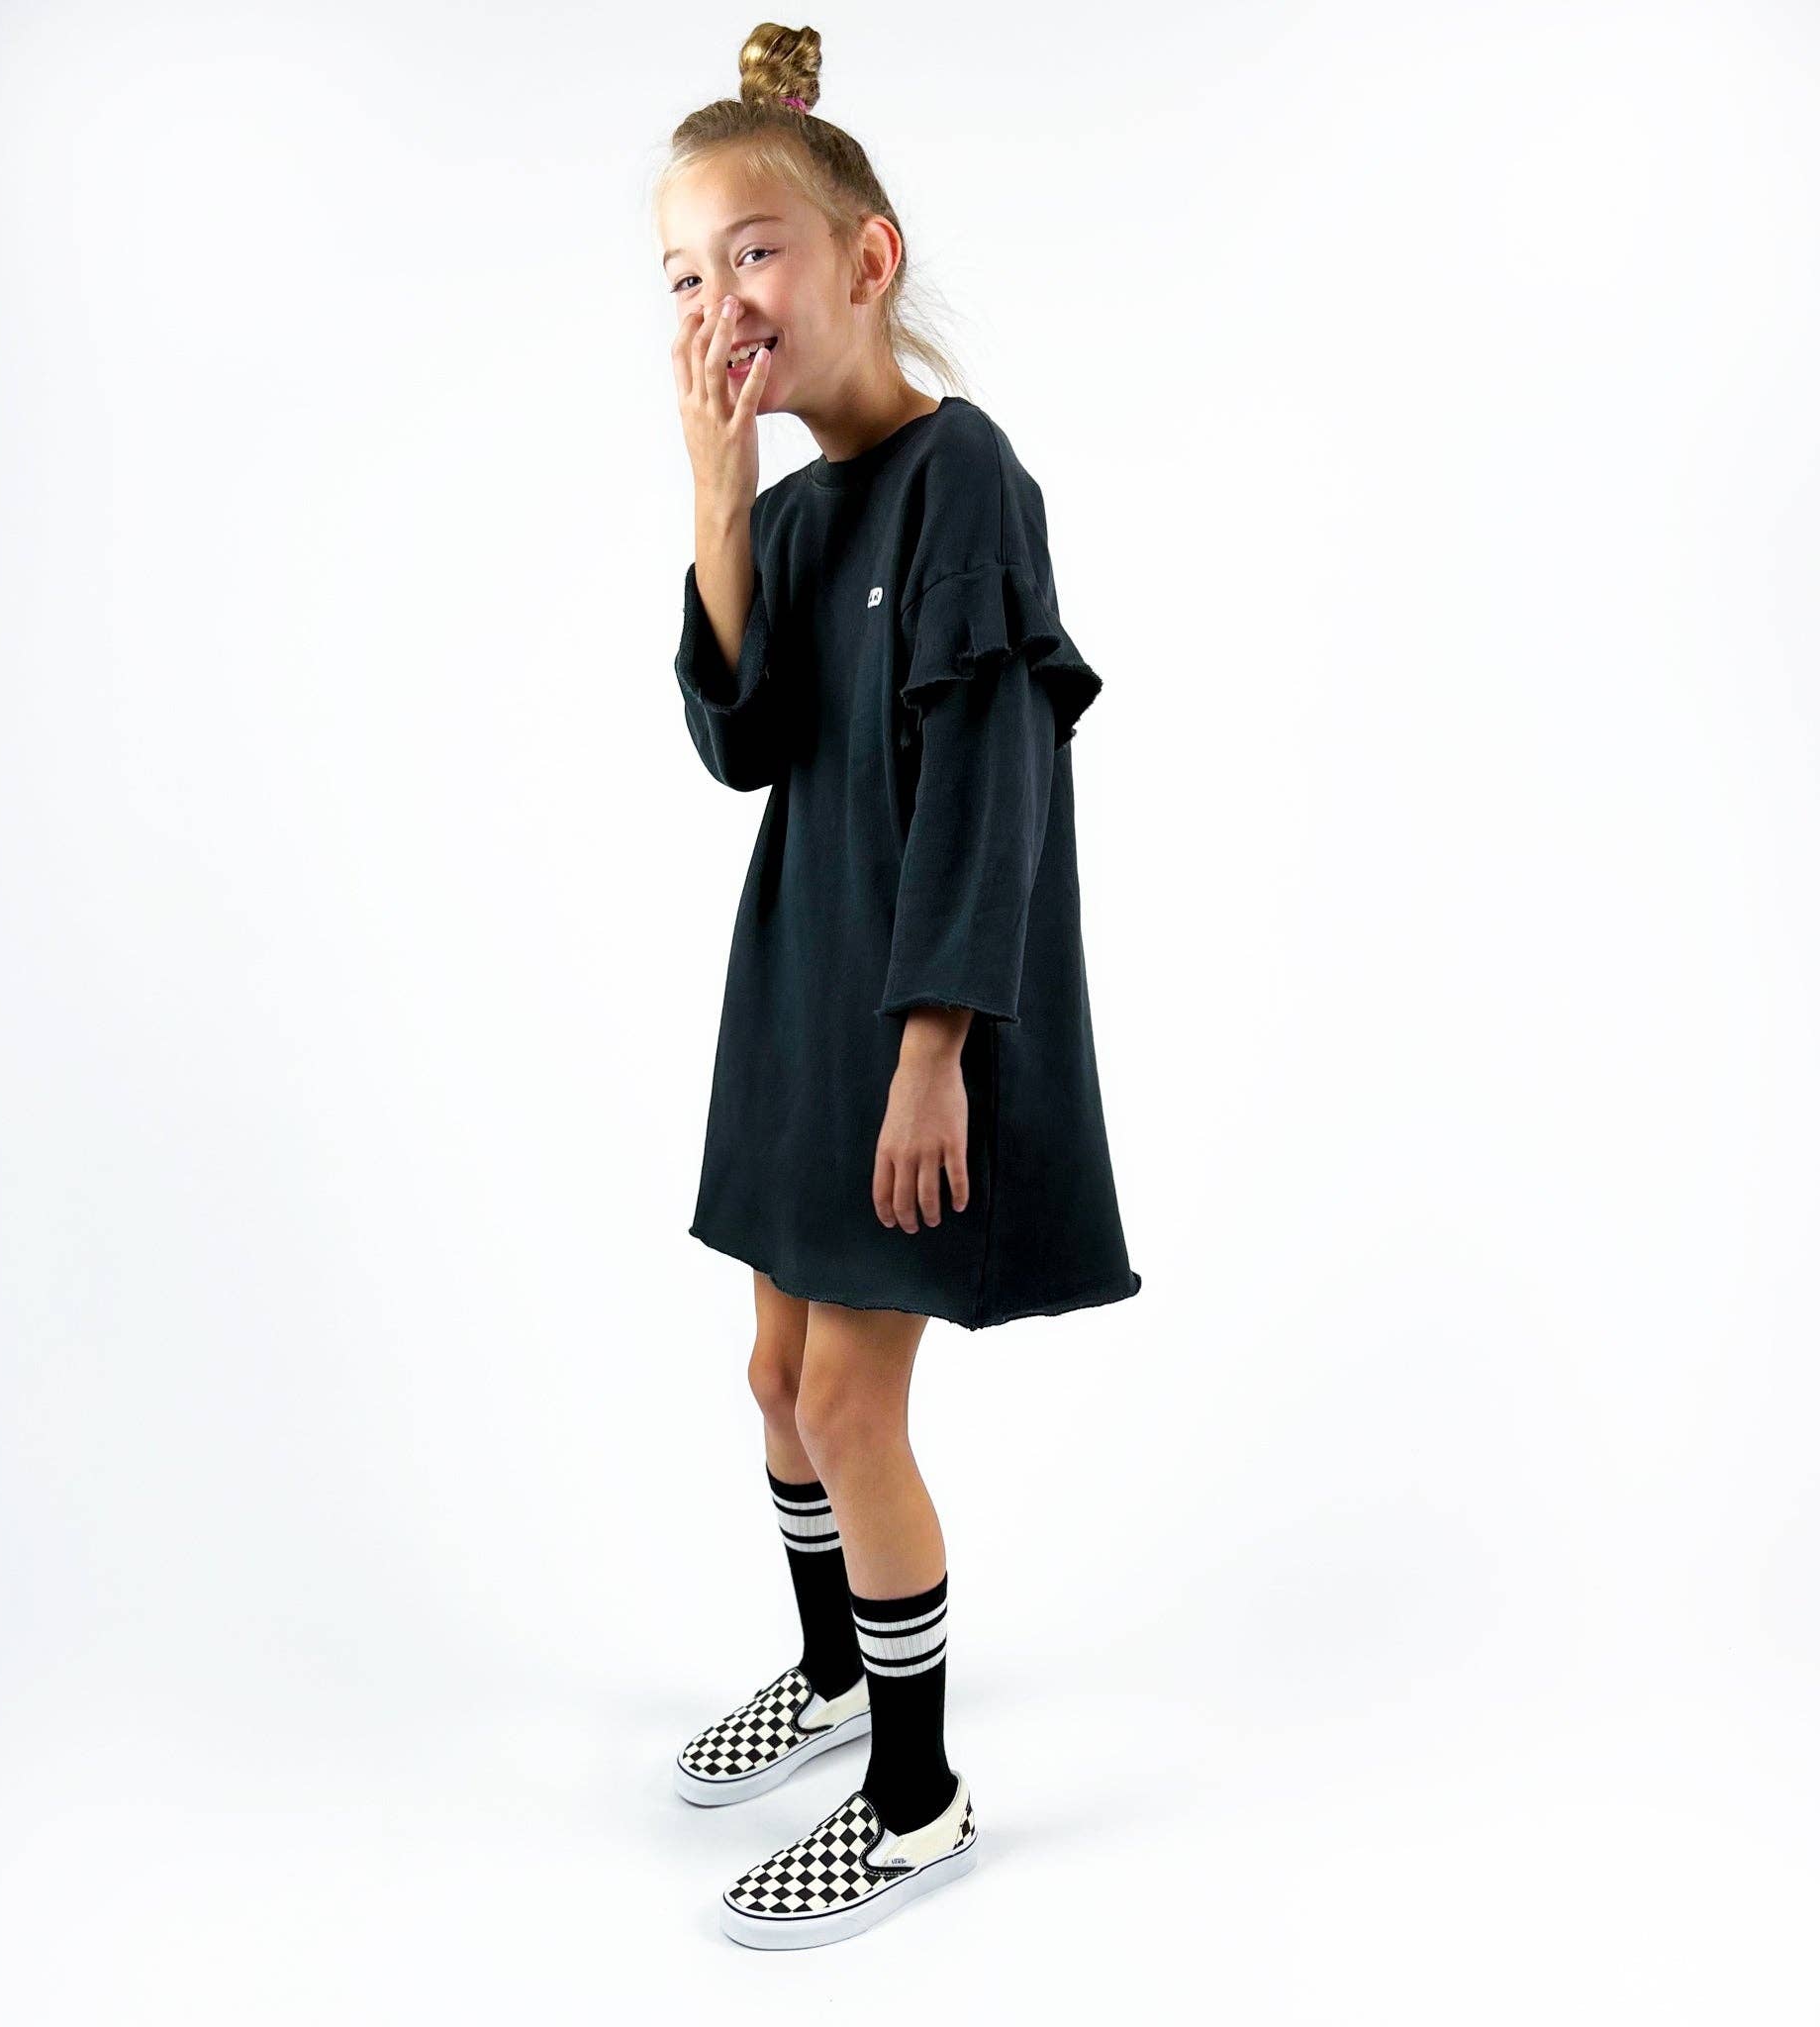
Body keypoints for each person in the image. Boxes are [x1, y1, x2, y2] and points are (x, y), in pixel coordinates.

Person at [655, 23, 1141, 1950]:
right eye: (683, 275)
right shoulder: (788, 516)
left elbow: (998, 785)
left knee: (854, 1405)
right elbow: (740, 741)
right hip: (795, 997)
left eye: (754, 252)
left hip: (905, 1029)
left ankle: (919, 1799)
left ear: (867, 257)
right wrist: (715, 490)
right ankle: (837, 1669)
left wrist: (936, 1050)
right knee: (774, 1378)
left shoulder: (967, 480)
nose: (718, 302)